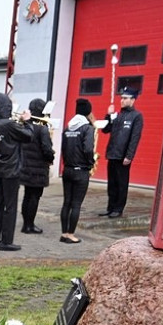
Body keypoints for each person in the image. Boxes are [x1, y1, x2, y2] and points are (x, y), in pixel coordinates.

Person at [0, 93, 33, 250]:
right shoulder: (10, 125)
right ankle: (6, 241)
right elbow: (28, 136)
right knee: (10, 206)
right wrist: (27, 122)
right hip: (11, 169)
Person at [59, 98, 97, 244]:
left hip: (67, 170)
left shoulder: (67, 128)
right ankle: (70, 234)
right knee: (76, 204)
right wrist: (91, 162)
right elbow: (88, 149)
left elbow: (64, 149)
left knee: (66, 202)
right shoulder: (88, 128)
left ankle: (63, 233)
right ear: (87, 112)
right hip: (81, 171)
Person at [101, 87, 144, 218]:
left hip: (123, 156)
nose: (122, 100)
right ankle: (110, 207)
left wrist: (129, 155)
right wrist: (108, 115)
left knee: (121, 183)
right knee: (112, 183)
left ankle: (118, 209)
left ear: (132, 100)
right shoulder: (117, 115)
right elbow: (105, 130)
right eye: (122, 98)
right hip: (112, 154)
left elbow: (134, 138)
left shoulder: (136, 116)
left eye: (125, 98)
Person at [19, 98, 55, 234]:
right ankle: (29, 225)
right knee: (34, 197)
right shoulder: (42, 129)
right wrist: (51, 157)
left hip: (26, 166)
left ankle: (25, 224)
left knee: (27, 196)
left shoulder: (24, 126)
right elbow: (47, 149)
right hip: (38, 168)